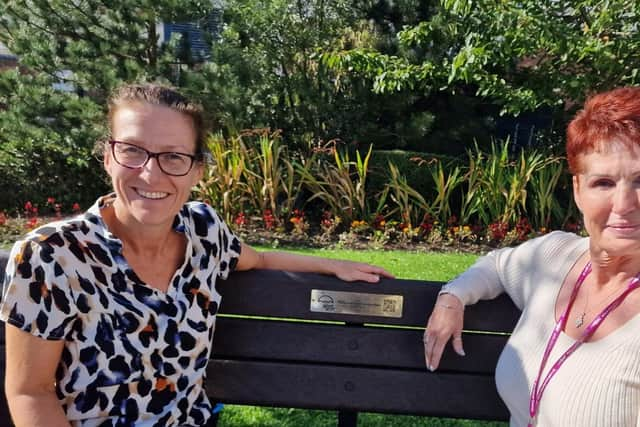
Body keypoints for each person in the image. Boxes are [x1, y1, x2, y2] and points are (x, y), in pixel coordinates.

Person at [0, 83, 394, 427]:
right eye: (133, 151)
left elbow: (258, 259)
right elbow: (30, 392)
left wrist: (334, 265)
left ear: (197, 170)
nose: (151, 175)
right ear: (108, 157)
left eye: (174, 157)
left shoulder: (204, 232)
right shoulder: (51, 256)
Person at [423, 86, 640, 427]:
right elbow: (496, 265)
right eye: (604, 183)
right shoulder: (554, 257)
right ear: (578, 191)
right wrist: (453, 296)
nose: (624, 204)